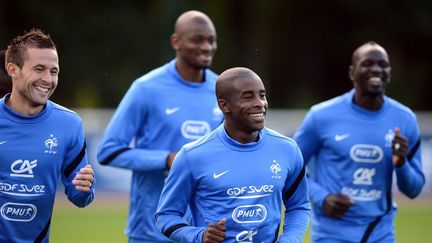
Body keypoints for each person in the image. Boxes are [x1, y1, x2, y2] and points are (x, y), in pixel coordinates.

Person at [97, 10, 223, 242]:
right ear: (176, 41)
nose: (206, 47)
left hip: (203, 232)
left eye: (211, 40)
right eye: (197, 39)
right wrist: (166, 159)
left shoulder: (222, 89)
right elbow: (108, 151)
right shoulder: (146, 88)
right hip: (151, 232)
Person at [156, 67, 310, 243]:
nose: (260, 103)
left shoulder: (287, 149)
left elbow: (299, 206)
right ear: (224, 105)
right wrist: (199, 236)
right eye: (248, 97)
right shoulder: (192, 156)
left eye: (262, 95)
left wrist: (288, 240)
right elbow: (166, 215)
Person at [294, 41, 425, 243]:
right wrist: (321, 198)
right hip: (332, 234)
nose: (376, 69)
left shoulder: (405, 119)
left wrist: (401, 163)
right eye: (367, 63)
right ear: (352, 72)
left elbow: (414, 190)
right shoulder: (321, 116)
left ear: (389, 72)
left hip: (380, 233)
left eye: (382, 64)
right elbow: (291, 169)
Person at [0, 29, 95, 242]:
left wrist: (84, 187)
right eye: (39, 69)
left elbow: (80, 198)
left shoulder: (69, 124)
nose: (47, 79)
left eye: (54, 71)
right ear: (13, 69)